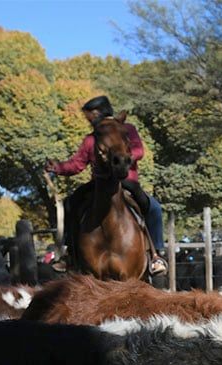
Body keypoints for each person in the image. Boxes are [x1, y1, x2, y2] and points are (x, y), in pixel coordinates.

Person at [45, 96, 167, 276]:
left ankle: (156, 255)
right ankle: (69, 254)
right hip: (99, 183)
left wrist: (122, 159)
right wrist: (57, 167)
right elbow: (78, 164)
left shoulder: (127, 129)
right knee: (70, 203)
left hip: (126, 181)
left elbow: (139, 150)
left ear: (98, 113)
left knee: (154, 208)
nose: (89, 120)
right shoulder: (91, 139)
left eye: (90, 116)